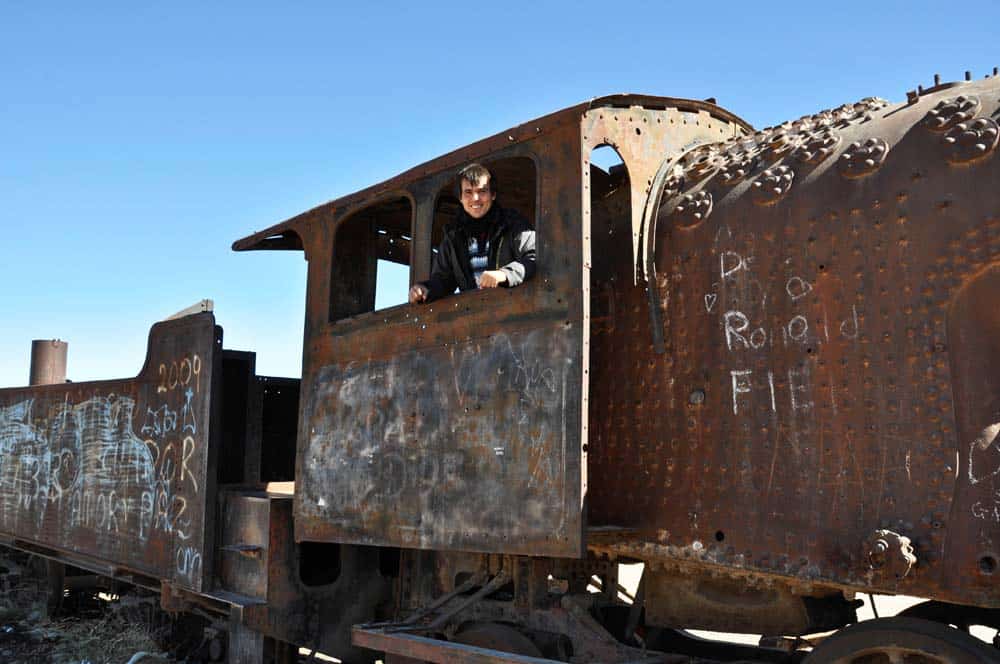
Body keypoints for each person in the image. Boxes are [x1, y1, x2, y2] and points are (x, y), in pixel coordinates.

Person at [409, 163, 536, 304]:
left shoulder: (513, 223)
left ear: (493, 195)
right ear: (460, 198)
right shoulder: (453, 235)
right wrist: (425, 289)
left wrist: (505, 274)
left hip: (516, 311)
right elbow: (444, 280)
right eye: (468, 192)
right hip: (475, 317)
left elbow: (534, 257)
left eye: (482, 191)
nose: (475, 198)